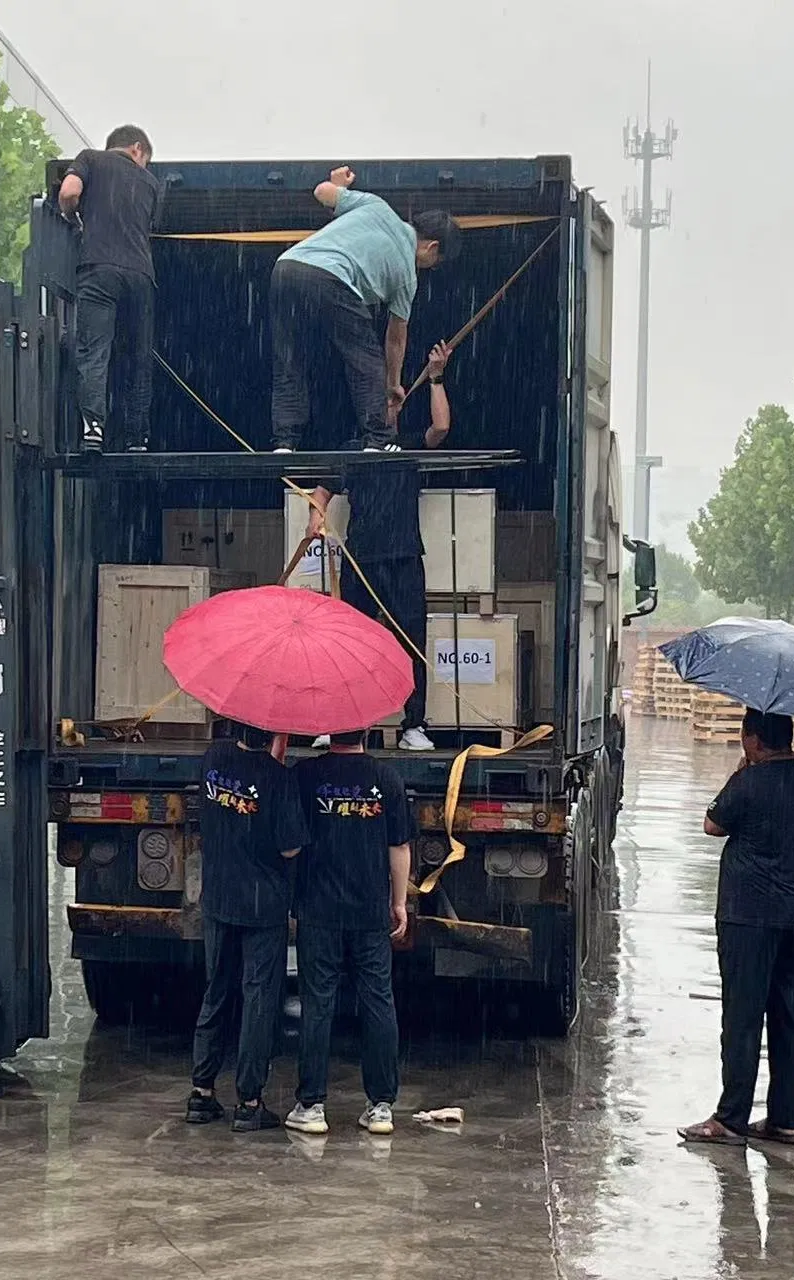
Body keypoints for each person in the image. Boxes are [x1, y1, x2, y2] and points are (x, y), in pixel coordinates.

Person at [679, 709, 794, 1148]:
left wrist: (739, 772)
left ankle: (730, 1118)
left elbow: (712, 824)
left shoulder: (749, 782)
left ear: (753, 740)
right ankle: (785, 1121)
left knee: (743, 1017)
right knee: (790, 1016)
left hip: (750, 917)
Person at [309, 340, 455, 752]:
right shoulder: (352, 451)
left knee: (410, 640)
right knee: (346, 644)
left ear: (398, 405)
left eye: (392, 400)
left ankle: (414, 726)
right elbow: (321, 491)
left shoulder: (406, 446)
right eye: (378, 401)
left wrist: (437, 376)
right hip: (361, 559)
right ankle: (338, 721)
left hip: (405, 558)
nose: (385, 407)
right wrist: (315, 515)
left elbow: (441, 428)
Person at [269, 166, 459, 453]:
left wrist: (338, 185)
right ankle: (378, 438)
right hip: (334, 279)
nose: (431, 267)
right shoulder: (408, 275)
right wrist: (393, 385)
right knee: (365, 360)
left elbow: (322, 192)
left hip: (286, 268)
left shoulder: (376, 206)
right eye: (436, 262)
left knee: (289, 356)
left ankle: (285, 440)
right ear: (432, 247)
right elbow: (395, 338)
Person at [286, 730, 413, 1137]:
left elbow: (291, 843)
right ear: (368, 730)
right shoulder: (387, 780)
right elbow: (399, 848)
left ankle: (312, 1105)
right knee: (378, 1001)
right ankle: (380, 1106)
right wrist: (398, 902)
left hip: (318, 910)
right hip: (369, 911)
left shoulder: (305, 776)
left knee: (317, 1003)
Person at [186, 722, 307, 1133]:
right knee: (258, 999)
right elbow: (290, 846)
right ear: (275, 733)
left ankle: (201, 1093)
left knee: (216, 989)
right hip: (263, 904)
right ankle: (249, 1101)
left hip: (219, 896)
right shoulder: (280, 779)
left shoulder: (213, 760)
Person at [58, 124, 161, 454]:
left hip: (99, 270)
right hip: (141, 275)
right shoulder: (151, 183)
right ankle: (137, 437)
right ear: (136, 149)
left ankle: (93, 430)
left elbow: (69, 193)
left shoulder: (89, 159)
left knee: (94, 351)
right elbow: (150, 228)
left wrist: (72, 218)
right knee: (139, 356)